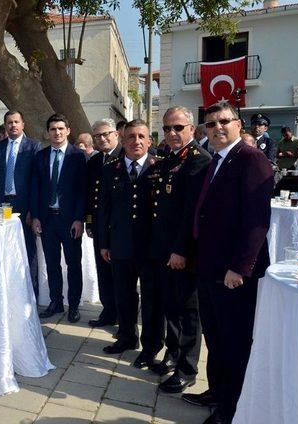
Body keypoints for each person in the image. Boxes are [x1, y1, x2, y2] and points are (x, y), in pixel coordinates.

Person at [191, 102, 273, 424]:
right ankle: (217, 393)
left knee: (233, 344)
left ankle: (231, 411)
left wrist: (240, 268)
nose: (217, 128)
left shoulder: (252, 159)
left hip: (232, 273)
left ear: (239, 124)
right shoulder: (218, 160)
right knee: (215, 340)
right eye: (210, 124)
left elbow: (256, 221)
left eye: (224, 121)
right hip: (209, 267)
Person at [147, 107, 211, 394]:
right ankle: (172, 355)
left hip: (183, 252)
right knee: (170, 306)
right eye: (167, 129)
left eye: (178, 128)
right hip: (164, 248)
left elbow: (190, 214)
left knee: (188, 311)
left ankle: (187, 368)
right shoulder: (171, 158)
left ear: (192, 128)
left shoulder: (199, 161)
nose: (172, 134)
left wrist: (180, 250)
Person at [98, 119, 160, 367]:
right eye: (131, 137)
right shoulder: (110, 169)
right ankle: (126, 337)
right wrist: (104, 243)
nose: (136, 141)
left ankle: (151, 346)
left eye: (141, 136)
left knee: (151, 300)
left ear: (149, 141)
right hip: (120, 244)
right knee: (124, 295)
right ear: (123, 141)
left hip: (150, 247)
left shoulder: (160, 168)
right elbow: (104, 208)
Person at [30, 113, 86, 323]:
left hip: (70, 220)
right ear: (48, 132)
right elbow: (36, 189)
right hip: (47, 219)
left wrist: (79, 218)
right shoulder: (41, 156)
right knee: (52, 264)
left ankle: (73, 305)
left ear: (68, 131)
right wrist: (36, 217)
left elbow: (82, 190)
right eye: (53, 129)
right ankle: (56, 302)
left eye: (61, 128)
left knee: (73, 264)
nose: (57, 132)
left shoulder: (77, 156)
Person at [0, 110, 42, 297]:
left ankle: (31, 295)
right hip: (2, 206)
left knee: (28, 251)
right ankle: (9, 294)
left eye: (16, 122)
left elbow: (36, 182)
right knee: (4, 251)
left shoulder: (34, 146)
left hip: (24, 207)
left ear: (23, 124)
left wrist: (32, 211)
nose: (13, 125)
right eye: (9, 123)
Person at [86, 118, 122, 329]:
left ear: (116, 134)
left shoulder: (124, 157)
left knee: (120, 275)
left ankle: (122, 316)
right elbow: (90, 196)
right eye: (98, 136)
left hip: (118, 228)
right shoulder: (93, 161)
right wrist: (89, 223)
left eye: (106, 134)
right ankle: (108, 312)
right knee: (103, 271)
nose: (102, 138)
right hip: (100, 226)